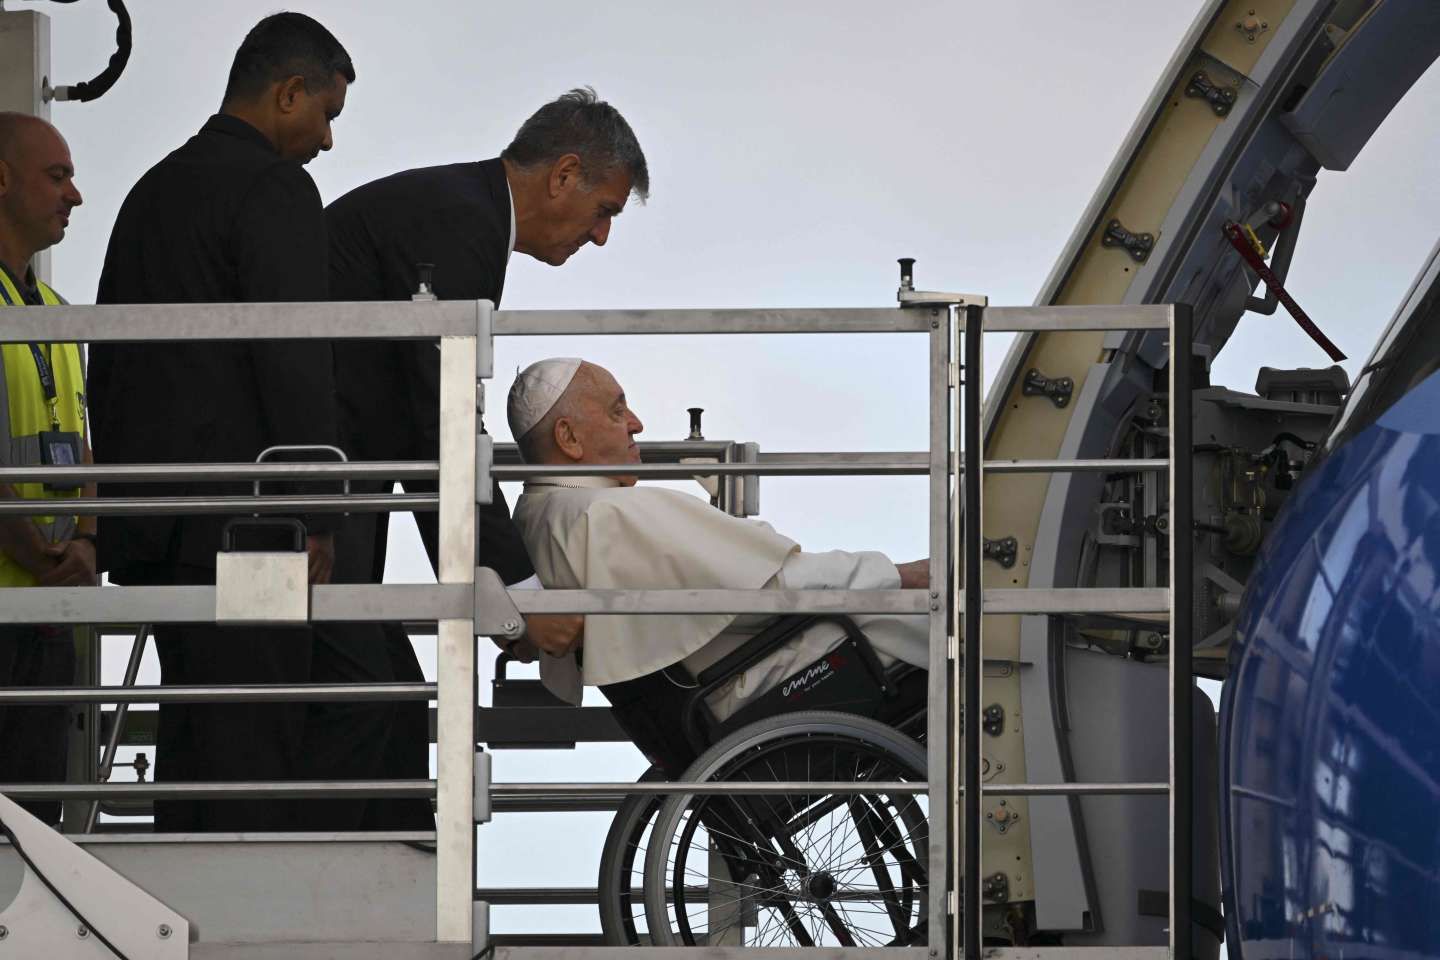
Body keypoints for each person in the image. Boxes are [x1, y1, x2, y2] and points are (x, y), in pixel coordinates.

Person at [324, 88, 648, 826]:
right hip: (304, 490)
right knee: (379, 707)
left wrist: (493, 591)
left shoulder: (463, 214)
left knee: (380, 703)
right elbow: (437, 428)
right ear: (564, 175)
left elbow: (427, 435)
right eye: (605, 210)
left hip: (332, 485)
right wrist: (519, 597)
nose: (600, 237)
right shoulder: (461, 225)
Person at [86, 13, 371, 832]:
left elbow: (117, 362)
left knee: (195, 730)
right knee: (255, 733)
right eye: (326, 114)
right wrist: (316, 511)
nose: (325, 140)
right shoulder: (276, 188)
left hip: (153, 524)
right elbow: (295, 358)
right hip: (246, 529)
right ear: (288, 94)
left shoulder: (153, 189)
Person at [505, 358, 930, 767]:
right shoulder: (607, 513)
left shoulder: (539, 515)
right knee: (955, 633)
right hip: (759, 690)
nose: (636, 423)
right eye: (618, 410)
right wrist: (899, 575)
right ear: (568, 438)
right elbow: (774, 589)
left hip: (711, 708)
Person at [0, 113, 91, 826]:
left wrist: (90, 537)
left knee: (36, 837)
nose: (74, 195)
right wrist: (23, 543)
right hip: (11, 598)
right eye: (56, 176)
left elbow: (84, 449)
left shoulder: (58, 312)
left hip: (50, 614)